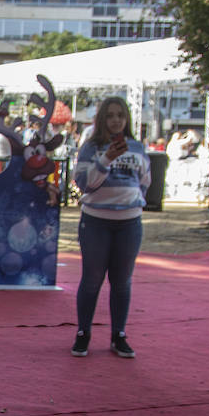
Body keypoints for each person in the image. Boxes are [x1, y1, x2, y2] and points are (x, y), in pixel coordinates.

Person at [70, 95, 150, 359]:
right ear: (102, 119)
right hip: (96, 221)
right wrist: (105, 160)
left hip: (129, 222)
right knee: (92, 280)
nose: (116, 120)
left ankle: (119, 335)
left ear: (127, 119)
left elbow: (145, 182)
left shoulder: (137, 147)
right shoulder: (90, 148)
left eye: (120, 115)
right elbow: (84, 184)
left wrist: (132, 202)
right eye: (110, 115)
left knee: (122, 281)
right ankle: (83, 333)